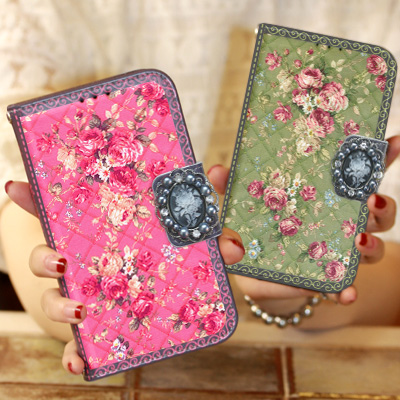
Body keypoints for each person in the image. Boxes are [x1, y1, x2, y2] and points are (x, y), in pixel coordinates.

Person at [1, 0, 400, 376]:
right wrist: (94, 313)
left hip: (300, 350)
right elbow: (19, 225)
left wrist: (294, 289)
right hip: (155, 332)